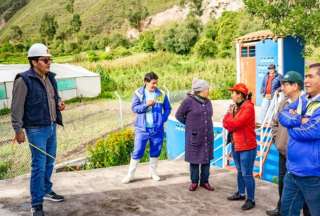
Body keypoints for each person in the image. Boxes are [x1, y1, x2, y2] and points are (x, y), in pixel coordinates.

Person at [11, 43, 65, 216]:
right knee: (39, 166)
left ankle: (46, 190)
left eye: (50, 60)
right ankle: (36, 204)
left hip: (51, 126)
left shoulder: (50, 78)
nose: (49, 63)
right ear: (34, 62)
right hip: (35, 130)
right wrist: (18, 130)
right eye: (45, 60)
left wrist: (59, 104)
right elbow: (16, 107)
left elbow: (53, 97)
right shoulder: (23, 80)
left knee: (50, 162)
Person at [266, 71, 310, 216]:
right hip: (283, 153)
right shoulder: (283, 102)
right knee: (283, 184)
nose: (282, 87)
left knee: (302, 190)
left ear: (295, 86)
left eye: (285, 84)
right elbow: (275, 122)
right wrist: (276, 139)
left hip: (299, 156)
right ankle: (280, 208)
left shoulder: (308, 104)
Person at [279, 64, 320, 216]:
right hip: (293, 170)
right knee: (287, 210)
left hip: (313, 174)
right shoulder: (304, 100)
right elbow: (283, 114)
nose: (306, 80)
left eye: (311, 76)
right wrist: (300, 119)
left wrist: (292, 124)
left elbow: (310, 131)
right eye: (306, 76)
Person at [122, 72, 171, 184]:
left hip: (157, 129)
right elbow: (134, 108)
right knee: (138, 151)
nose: (155, 85)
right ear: (146, 82)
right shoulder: (139, 93)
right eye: (153, 83)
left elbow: (168, 109)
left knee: (156, 151)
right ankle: (130, 175)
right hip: (142, 129)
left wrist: (162, 120)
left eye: (156, 83)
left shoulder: (160, 93)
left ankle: (152, 173)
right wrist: (146, 105)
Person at [175, 79, 214, 192]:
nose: (208, 91)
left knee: (206, 159)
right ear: (201, 90)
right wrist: (190, 125)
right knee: (195, 159)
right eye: (207, 89)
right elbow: (179, 115)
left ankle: (204, 181)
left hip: (207, 135)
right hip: (195, 135)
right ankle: (194, 182)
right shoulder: (188, 101)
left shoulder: (208, 102)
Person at [223, 83, 257, 211]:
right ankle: (241, 194)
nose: (231, 95)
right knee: (240, 171)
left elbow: (234, 124)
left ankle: (251, 199)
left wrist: (229, 115)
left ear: (240, 95)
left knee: (247, 174)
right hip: (236, 144)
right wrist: (229, 117)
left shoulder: (248, 108)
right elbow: (226, 123)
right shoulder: (236, 107)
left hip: (247, 146)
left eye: (233, 92)